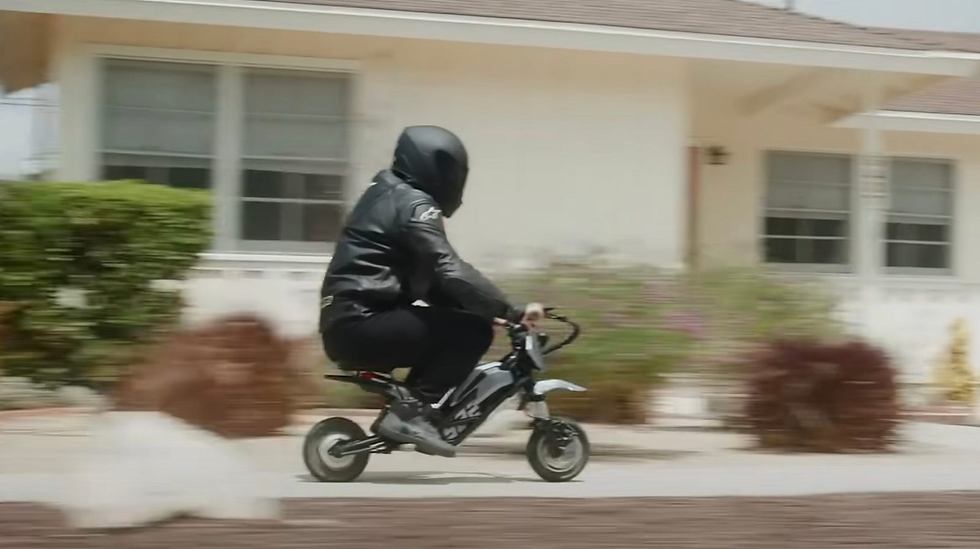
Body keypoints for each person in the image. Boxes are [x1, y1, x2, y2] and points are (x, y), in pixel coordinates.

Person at [319, 125, 543, 458]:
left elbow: (435, 284)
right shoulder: (413, 202)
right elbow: (449, 269)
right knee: (470, 333)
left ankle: (408, 412)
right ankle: (409, 413)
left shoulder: (386, 192)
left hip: (350, 323)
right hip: (364, 322)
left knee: (467, 324)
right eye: (451, 173)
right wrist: (512, 310)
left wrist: (486, 309)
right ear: (434, 167)